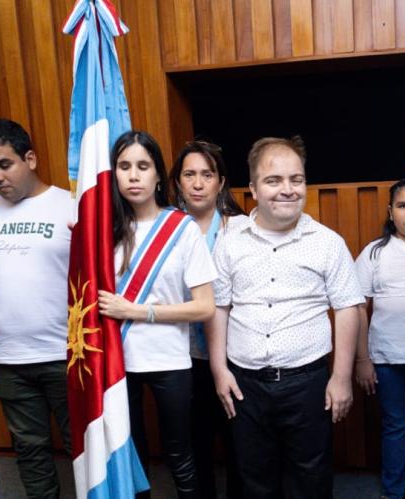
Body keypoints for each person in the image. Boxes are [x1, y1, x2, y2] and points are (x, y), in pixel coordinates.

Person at [208, 136, 363, 499]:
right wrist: (219, 370)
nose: (287, 190)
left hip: (307, 383)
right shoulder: (230, 242)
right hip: (245, 385)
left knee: (311, 478)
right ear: (253, 189)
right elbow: (219, 308)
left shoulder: (328, 242)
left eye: (296, 179)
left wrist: (341, 378)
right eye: (273, 181)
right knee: (254, 479)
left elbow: (347, 309)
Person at [0, 119, 72, 499]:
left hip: (64, 353)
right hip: (7, 356)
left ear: (30, 159)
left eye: (5, 164)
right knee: (30, 449)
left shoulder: (69, 205)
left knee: (83, 447)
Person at [96, 130, 216, 499]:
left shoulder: (182, 228)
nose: (133, 176)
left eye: (143, 166)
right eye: (124, 166)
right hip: (117, 361)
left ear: (158, 175)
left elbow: (204, 307)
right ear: (112, 174)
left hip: (169, 358)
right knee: (130, 455)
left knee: (180, 454)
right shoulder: (102, 231)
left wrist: (137, 311)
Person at [168, 139, 246, 499]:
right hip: (183, 357)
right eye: (189, 175)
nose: (198, 183)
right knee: (193, 444)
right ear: (177, 182)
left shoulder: (241, 228)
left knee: (240, 446)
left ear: (220, 181)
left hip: (236, 356)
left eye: (206, 174)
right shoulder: (163, 232)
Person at [353, 178, 405, 499]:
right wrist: (363, 360)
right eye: (403, 205)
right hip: (387, 358)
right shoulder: (374, 252)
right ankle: (395, 492)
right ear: (390, 211)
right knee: (396, 426)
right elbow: (356, 308)